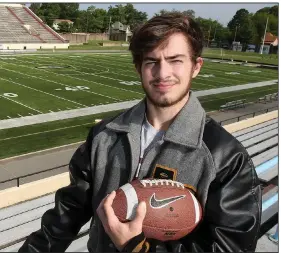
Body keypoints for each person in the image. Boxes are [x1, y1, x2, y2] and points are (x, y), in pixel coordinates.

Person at [19, 13, 261, 252]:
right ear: (138, 68)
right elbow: (66, 216)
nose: (162, 73)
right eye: (151, 62)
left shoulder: (226, 157)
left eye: (175, 60)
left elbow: (230, 246)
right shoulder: (104, 136)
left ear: (196, 67)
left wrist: (135, 248)